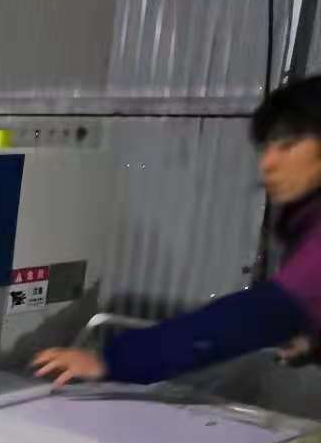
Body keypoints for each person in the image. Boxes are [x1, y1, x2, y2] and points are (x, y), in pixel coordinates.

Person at [33, 76, 321, 387]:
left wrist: (110, 361)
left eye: (288, 145)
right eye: (265, 148)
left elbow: (261, 313)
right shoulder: (305, 220)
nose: (267, 163)